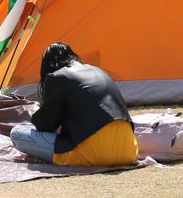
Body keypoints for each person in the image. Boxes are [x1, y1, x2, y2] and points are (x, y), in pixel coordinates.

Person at [10, 43, 138, 167]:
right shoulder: (98, 71)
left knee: (17, 133)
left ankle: (45, 156)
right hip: (128, 152)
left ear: (48, 66)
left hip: (93, 154)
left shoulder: (56, 77)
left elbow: (44, 125)